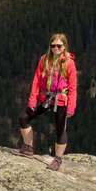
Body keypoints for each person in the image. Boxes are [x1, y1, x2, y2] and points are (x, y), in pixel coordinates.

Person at [20, 32, 77, 169]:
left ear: (64, 47)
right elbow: (36, 80)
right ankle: (28, 148)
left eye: (59, 46)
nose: (56, 48)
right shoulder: (44, 59)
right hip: (45, 98)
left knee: (60, 130)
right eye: (53, 46)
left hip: (60, 101)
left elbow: (72, 87)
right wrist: (32, 100)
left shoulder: (69, 63)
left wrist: (71, 108)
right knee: (23, 118)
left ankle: (57, 159)